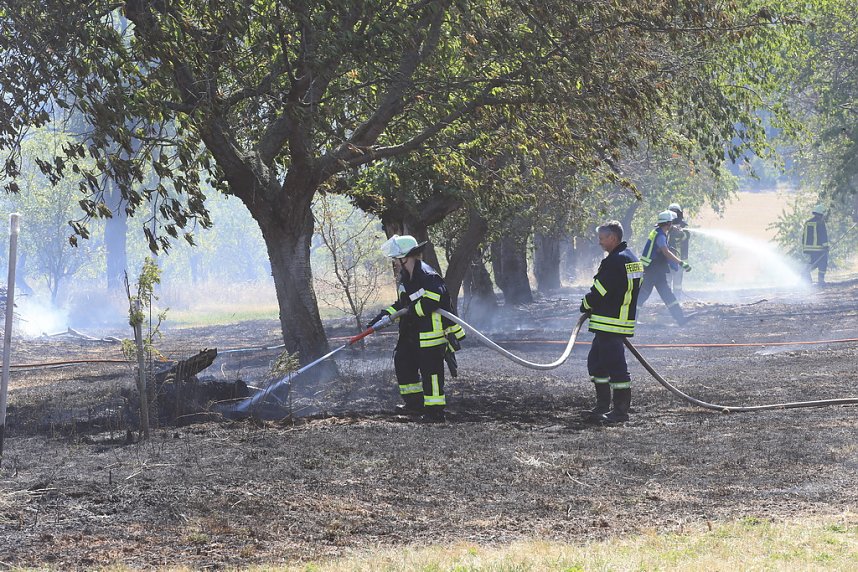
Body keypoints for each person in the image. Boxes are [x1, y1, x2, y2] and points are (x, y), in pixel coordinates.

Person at [367, 234, 465, 423]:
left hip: (431, 334)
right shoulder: (406, 278)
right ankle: (414, 404)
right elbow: (401, 304)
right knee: (403, 362)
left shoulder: (428, 276)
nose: (395, 263)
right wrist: (383, 317)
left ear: (406, 257)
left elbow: (431, 302)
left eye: (396, 259)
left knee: (432, 373)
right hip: (411, 333)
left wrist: (409, 311)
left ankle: (435, 412)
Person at [580, 220, 643, 424]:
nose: (600, 243)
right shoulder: (632, 258)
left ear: (613, 238)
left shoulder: (615, 261)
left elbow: (600, 290)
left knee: (615, 367)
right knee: (597, 364)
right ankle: (602, 406)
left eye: (602, 238)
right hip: (615, 321)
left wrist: (586, 304)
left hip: (609, 321)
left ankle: (620, 411)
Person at [637, 210, 692, 325]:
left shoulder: (658, 232)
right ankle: (631, 320)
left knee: (665, 295)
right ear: (667, 223)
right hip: (653, 271)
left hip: (656, 271)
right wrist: (681, 262)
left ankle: (680, 319)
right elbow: (665, 252)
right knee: (644, 295)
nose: (672, 225)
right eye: (671, 223)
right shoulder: (661, 236)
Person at [666, 203, 691, 297]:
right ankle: (668, 300)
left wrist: (679, 233)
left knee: (677, 283)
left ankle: (677, 299)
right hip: (667, 259)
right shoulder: (666, 225)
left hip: (679, 260)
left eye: (676, 212)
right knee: (667, 282)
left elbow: (686, 237)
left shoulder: (682, 226)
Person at [803, 204, 830, 285]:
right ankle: (821, 280)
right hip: (820, 248)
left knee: (814, 262)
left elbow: (804, 235)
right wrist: (826, 246)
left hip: (810, 248)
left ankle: (805, 273)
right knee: (823, 263)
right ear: (821, 214)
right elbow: (823, 235)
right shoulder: (820, 223)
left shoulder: (808, 222)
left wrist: (805, 247)